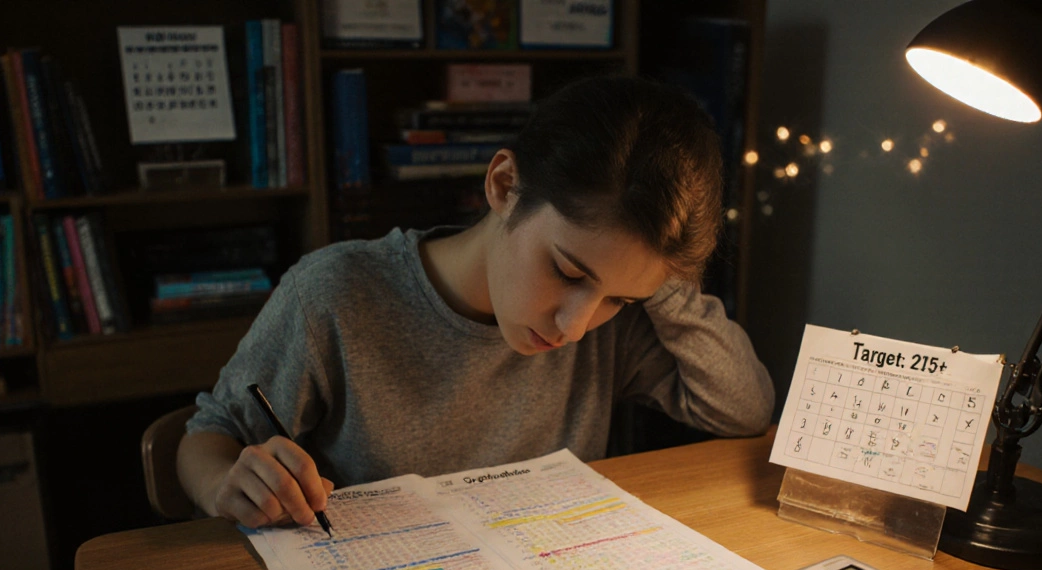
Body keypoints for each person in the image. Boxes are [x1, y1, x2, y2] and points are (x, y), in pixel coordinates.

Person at [177, 74, 776, 529]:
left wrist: (654, 273)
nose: (575, 326)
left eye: (617, 298)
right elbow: (211, 434)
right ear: (505, 186)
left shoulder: (609, 323)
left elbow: (743, 408)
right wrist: (226, 482)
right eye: (566, 271)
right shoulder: (336, 294)